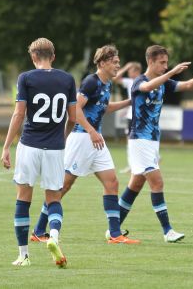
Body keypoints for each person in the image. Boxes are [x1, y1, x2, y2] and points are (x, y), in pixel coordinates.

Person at [30, 45, 138, 244]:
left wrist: (130, 102)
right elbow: (75, 109)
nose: (118, 65)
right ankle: (38, 230)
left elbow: (103, 108)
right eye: (115, 62)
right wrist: (91, 130)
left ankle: (115, 234)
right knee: (63, 186)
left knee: (112, 182)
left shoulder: (107, 84)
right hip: (81, 138)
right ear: (103, 63)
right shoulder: (91, 82)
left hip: (95, 140)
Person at [117, 45, 193, 243]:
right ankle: (168, 231)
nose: (165, 66)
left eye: (166, 62)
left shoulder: (164, 82)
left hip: (152, 141)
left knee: (136, 184)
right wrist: (172, 72)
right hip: (140, 141)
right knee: (157, 182)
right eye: (162, 62)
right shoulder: (139, 81)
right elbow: (147, 87)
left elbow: (186, 86)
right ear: (150, 61)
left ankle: (113, 227)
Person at [1, 38, 77, 267]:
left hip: (29, 145)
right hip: (55, 148)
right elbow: (73, 118)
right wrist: (61, 138)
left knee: (23, 198)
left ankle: (23, 255)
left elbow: (18, 114)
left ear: (34, 57)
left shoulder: (26, 78)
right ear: (53, 56)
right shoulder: (67, 79)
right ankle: (52, 236)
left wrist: (6, 146)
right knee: (53, 198)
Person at [112, 62, 142, 173]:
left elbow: (115, 78)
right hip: (132, 114)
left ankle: (133, 165)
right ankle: (136, 163)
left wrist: (125, 67)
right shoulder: (132, 81)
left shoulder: (138, 81)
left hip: (134, 115)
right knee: (134, 139)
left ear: (137, 71)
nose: (129, 72)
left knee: (131, 140)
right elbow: (115, 78)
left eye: (130, 70)